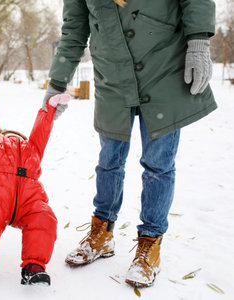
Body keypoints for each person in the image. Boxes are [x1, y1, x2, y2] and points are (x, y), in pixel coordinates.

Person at [44, 0, 216, 287]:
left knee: (158, 165)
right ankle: (102, 233)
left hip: (163, 67)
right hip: (113, 76)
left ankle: (150, 243)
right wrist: (57, 82)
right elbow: (74, 27)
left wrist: (199, 40)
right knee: (109, 161)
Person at [0, 93, 70, 298]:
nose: (15, 138)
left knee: (44, 217)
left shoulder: (33, 148)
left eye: (18, 136)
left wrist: (49, 108)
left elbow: (41, 131)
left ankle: (33, 267)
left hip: (28, 201)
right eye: (9, 134)